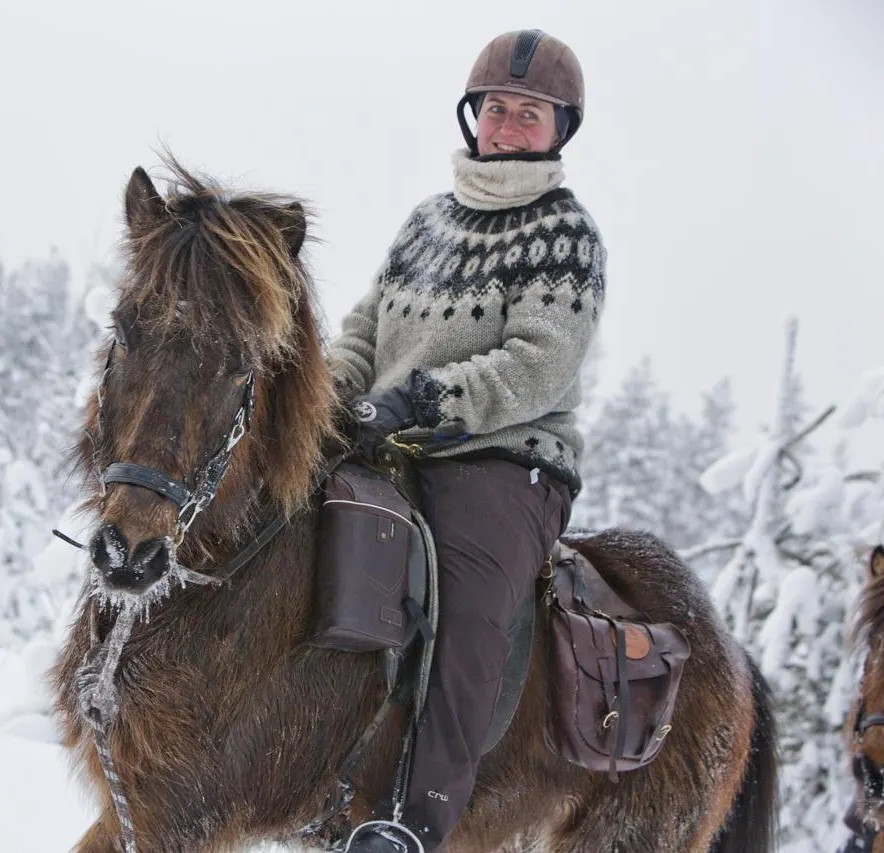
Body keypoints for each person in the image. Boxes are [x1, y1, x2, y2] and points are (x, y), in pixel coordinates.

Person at [327, 29, 608, 853]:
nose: (507, 126)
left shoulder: (566, 233)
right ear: (471, 115)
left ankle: (417, 819)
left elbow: (539, 363)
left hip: (505, 461)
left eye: (529, 113)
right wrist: (332, 396)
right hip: (390, 439)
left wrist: (424, 399)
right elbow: (362, 331)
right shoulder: (426, 224)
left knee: (469, 608)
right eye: (496, 109)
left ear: (559, 128)